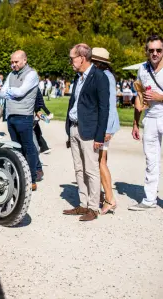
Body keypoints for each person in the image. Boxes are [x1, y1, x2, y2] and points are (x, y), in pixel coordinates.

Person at [63, 43, 109, 221]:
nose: (70, 62)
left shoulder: (99, 77)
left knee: (91, 170)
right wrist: (69, 129)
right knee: (78, 169)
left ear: (82, 58)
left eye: (72, 58)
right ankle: (83, 204)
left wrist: (99, 136)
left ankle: (93, 208)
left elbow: (103, 109)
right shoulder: (78, 77)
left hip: (90, 131)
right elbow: (74, 103)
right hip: (74, 127)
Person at [129, 35, 163, 211]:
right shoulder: (142, 69)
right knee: (151, 159)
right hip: (150, 118)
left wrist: (160, 97)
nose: (155, 53)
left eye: (158, 50)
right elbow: (139, 96)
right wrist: (135, 122)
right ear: (147, 51)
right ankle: (150, 199)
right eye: (151, 50)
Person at [0, 50, 40, 191]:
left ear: (24, 60)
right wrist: (11, 91)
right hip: (11, 115)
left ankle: (32, 178)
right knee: (16, 147)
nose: (13, 65)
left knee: (28, 147)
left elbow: (21, 92)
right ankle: (20, 175)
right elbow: (2, 93)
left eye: (16, 62)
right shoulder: (11, 74)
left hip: (24, 115)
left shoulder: (32, 74)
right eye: (12, 62)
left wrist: (9, 91)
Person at [89, 47, 121, 215]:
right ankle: (106, 196)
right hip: (106, 124)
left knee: (100, 162)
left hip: (106, 126)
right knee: (101, 161)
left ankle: (110, 199)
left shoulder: (105, 77)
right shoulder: (106, 75)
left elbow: (108, 105)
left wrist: (106, 129)